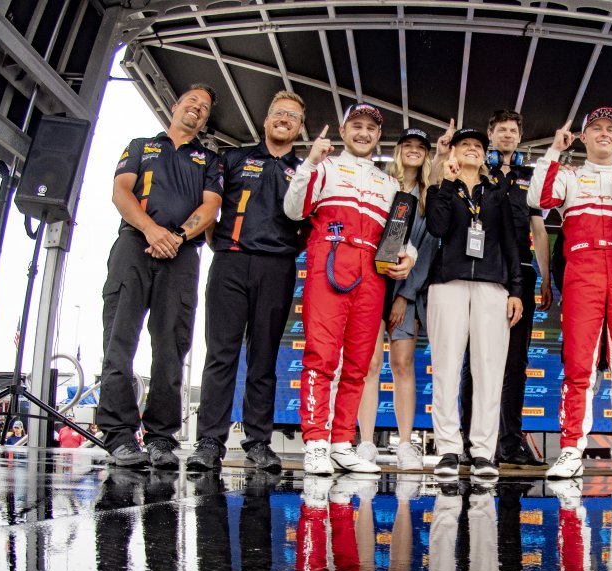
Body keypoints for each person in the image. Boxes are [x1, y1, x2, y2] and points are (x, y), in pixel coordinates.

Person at [528, 107, 612, 479]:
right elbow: (538, 198)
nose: (604, 133)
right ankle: (571, 449)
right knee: (579, 364)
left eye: (610, 129)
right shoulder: (569, 175)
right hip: (582, 268)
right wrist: (555, 151)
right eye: (596, 128)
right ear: (583, 137)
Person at [283, 103, 416, 475]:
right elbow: (293, 210)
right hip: (330, 261)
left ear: (378, 136)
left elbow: (400, 238)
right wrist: (309, 163)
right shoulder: (323, 167)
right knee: (321, 356)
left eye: (370, 128)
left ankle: (342, 442)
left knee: (359, 363)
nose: (363, 133)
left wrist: (409, 257)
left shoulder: (389, 184)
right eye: (356, 125)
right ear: (343, 131)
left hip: (372, 272)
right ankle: (316, 442)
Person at [98, 83, 223, 469]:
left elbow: (212, 207)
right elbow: (121, 192)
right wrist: (152, 230)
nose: (197, 109)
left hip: (182, 256)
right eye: (192, 101)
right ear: (174, 106)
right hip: (134, 246)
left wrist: (177, 237)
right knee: (119, 342)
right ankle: (120, 435)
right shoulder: (141, 146)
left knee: (172, 347)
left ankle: (160, 439)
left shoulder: (209, 160)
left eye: (204, 108)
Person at [186, 91, 307, 473]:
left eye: (292, 116)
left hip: (277, 268)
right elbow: (211, 207)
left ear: (300, 128)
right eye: (278, 113)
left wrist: (282, 251)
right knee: (220, 354)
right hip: (231, 264)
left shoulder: (304, 171)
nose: (284, 119)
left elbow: (307, 226)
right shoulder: (234, 158)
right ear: (266, 119)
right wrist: (223, 245)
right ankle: (209, 442)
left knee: (264, 359)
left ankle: (258, 443)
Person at [425, 127, 523, 478]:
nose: (472, 149)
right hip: (447, 284)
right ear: (452, 152)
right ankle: (448, 450)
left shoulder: (497, 192)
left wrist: (516, 289)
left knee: (489, 370)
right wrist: (448, 183)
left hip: (491, 287)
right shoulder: (441, 189)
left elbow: (512, 242)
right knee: (446, 369)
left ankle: (483, 451)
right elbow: (437, 228)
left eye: (478, 146)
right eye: (464, 144)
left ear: (485, 154)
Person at [457, 109, 552, 468]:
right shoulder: (479, 171)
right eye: (501, 130)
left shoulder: (530, 178)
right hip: (484, 272)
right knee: (475, 361)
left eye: (513, 130)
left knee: (516, 363)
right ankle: (470, 443)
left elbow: (539, 230)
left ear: (519, 136)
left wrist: (546, 277)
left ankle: (510, 442)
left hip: (522, 275)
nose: (507, 135)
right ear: (490, 133)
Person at [357, 128, 437, 470]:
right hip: (373, 286)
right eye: (408, 145)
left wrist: (405, 295)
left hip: (408, 291)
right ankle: (365, 443)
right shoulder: (381, 185)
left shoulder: (429, 196)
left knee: (402, 365)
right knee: (370, 364)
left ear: (427, 154)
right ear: (398, 149)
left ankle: (405, 444)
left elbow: (428, 250)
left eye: (421, 147)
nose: (414, 151)